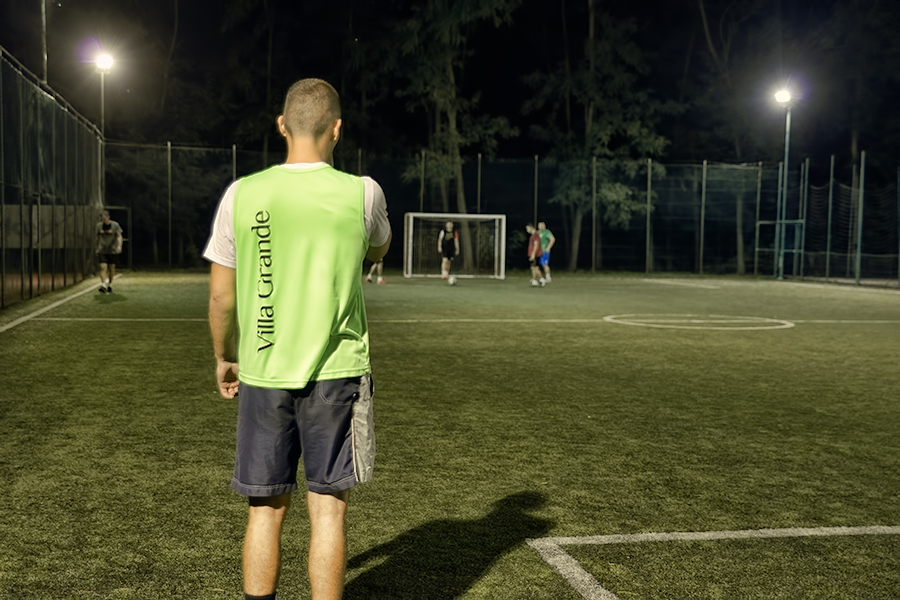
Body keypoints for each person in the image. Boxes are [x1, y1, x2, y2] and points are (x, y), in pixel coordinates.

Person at [203, 78, 391, 600]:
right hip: (338, 373)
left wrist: (225, 356)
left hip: (263, 370)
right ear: (337, 129)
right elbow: (379, 249)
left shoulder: (242, 194)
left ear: (282, 125)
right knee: (328, 511)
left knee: (264, 511)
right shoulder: (364, 192)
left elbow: (220, 297)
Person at [95, 210, 123, 293]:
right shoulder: (99, 226)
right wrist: (97, 247)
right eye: (102, 219)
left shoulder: (115, 225)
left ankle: (110, 283)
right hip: (102, 249)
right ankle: (103, 284)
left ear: (108, 217)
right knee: (103, 267)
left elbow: (119, 236)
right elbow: (97, 237)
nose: (104, 220)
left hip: (112, 250)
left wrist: (119, 246)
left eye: (105, 218)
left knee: (111, 268)